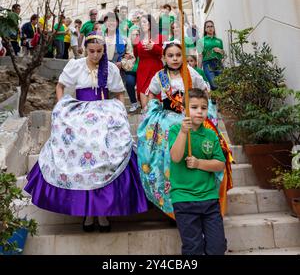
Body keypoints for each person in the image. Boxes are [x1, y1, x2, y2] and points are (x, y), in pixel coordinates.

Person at [24, 32, 148, 232]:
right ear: (85, 49)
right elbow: (60, 86)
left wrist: (117, 110)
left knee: (103, 155)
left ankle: (102, 213)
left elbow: (118, 93)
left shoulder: (110, 69)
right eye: (92, 51)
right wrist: (62, 105)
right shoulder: (75, 65)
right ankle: (88, 213)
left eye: (100, 51)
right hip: (80, 111)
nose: (96, 55)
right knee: (82, 152)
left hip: (103, 112)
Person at [137, 41, 208, 217]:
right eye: (171, 55)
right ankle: (169, 204)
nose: (175, 59)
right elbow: (151, 93)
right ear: (164, 58)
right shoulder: (159, 76)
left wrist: (202, 106)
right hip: (167, 117)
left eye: (178, 55)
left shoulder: (190, 73)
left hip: (188, 116)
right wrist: (151, 108)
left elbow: (205, 90)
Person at [169, 88, 227, 255]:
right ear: (184, 109)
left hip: (209, 198)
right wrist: (183, 132)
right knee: (193, 248)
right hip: (184, 199)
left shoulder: (211, 134)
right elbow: (175, 157)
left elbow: (220, 164)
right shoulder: (175, 130)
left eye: (203, 107)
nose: (199, 112)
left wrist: (199, 163)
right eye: (194, 107)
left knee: (217, 247)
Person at [134, 14, 164, 109]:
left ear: (151, 24)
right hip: (142, 71)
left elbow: (165, 53)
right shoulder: (138, 39)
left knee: (156, 103)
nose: (142, 25)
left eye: (144, 22)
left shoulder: (159, 37)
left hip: (156, 69)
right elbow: (135, 54)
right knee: (145, 105)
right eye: (141, 23)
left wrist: (154, 47)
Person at [197, 20, 225, 90]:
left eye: (211, 26)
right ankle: (215, 100)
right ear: (205, 29)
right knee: (213, 85)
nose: (210, 28)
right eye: (208, 26)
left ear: (214, 28)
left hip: (218, 63)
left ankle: (221, 100)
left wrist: (220, 50)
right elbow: (200, 56)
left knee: (223, 84)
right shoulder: (200, 41)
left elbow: (223, 54)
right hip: (207, 64)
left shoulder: (219, 40)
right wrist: (199, 71)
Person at [122, 26, 140, 113]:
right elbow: (120, 53)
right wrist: (124, 55)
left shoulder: (143, 43)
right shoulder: (126, 43)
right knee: (129, 83)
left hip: (141, 69)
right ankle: (134, 102)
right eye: (133, 34)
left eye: (137, 34)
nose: (135, 36)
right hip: (130, 69)